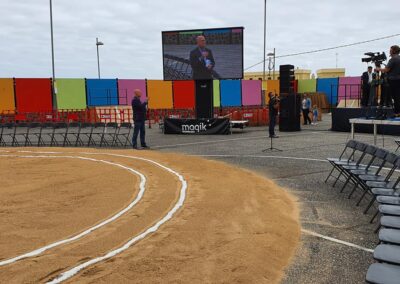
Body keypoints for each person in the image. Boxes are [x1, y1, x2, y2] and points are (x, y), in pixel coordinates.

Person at [376, 45, 400, 116]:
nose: (389, 51)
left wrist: (378, 69)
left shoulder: (393, 59)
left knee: (395, 97)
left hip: (393, 80)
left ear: (394, 51)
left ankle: (397, 112)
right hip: (398, 80)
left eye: (390, 50)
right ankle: (398, 112)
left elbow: (386, 69)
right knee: (397, 96)